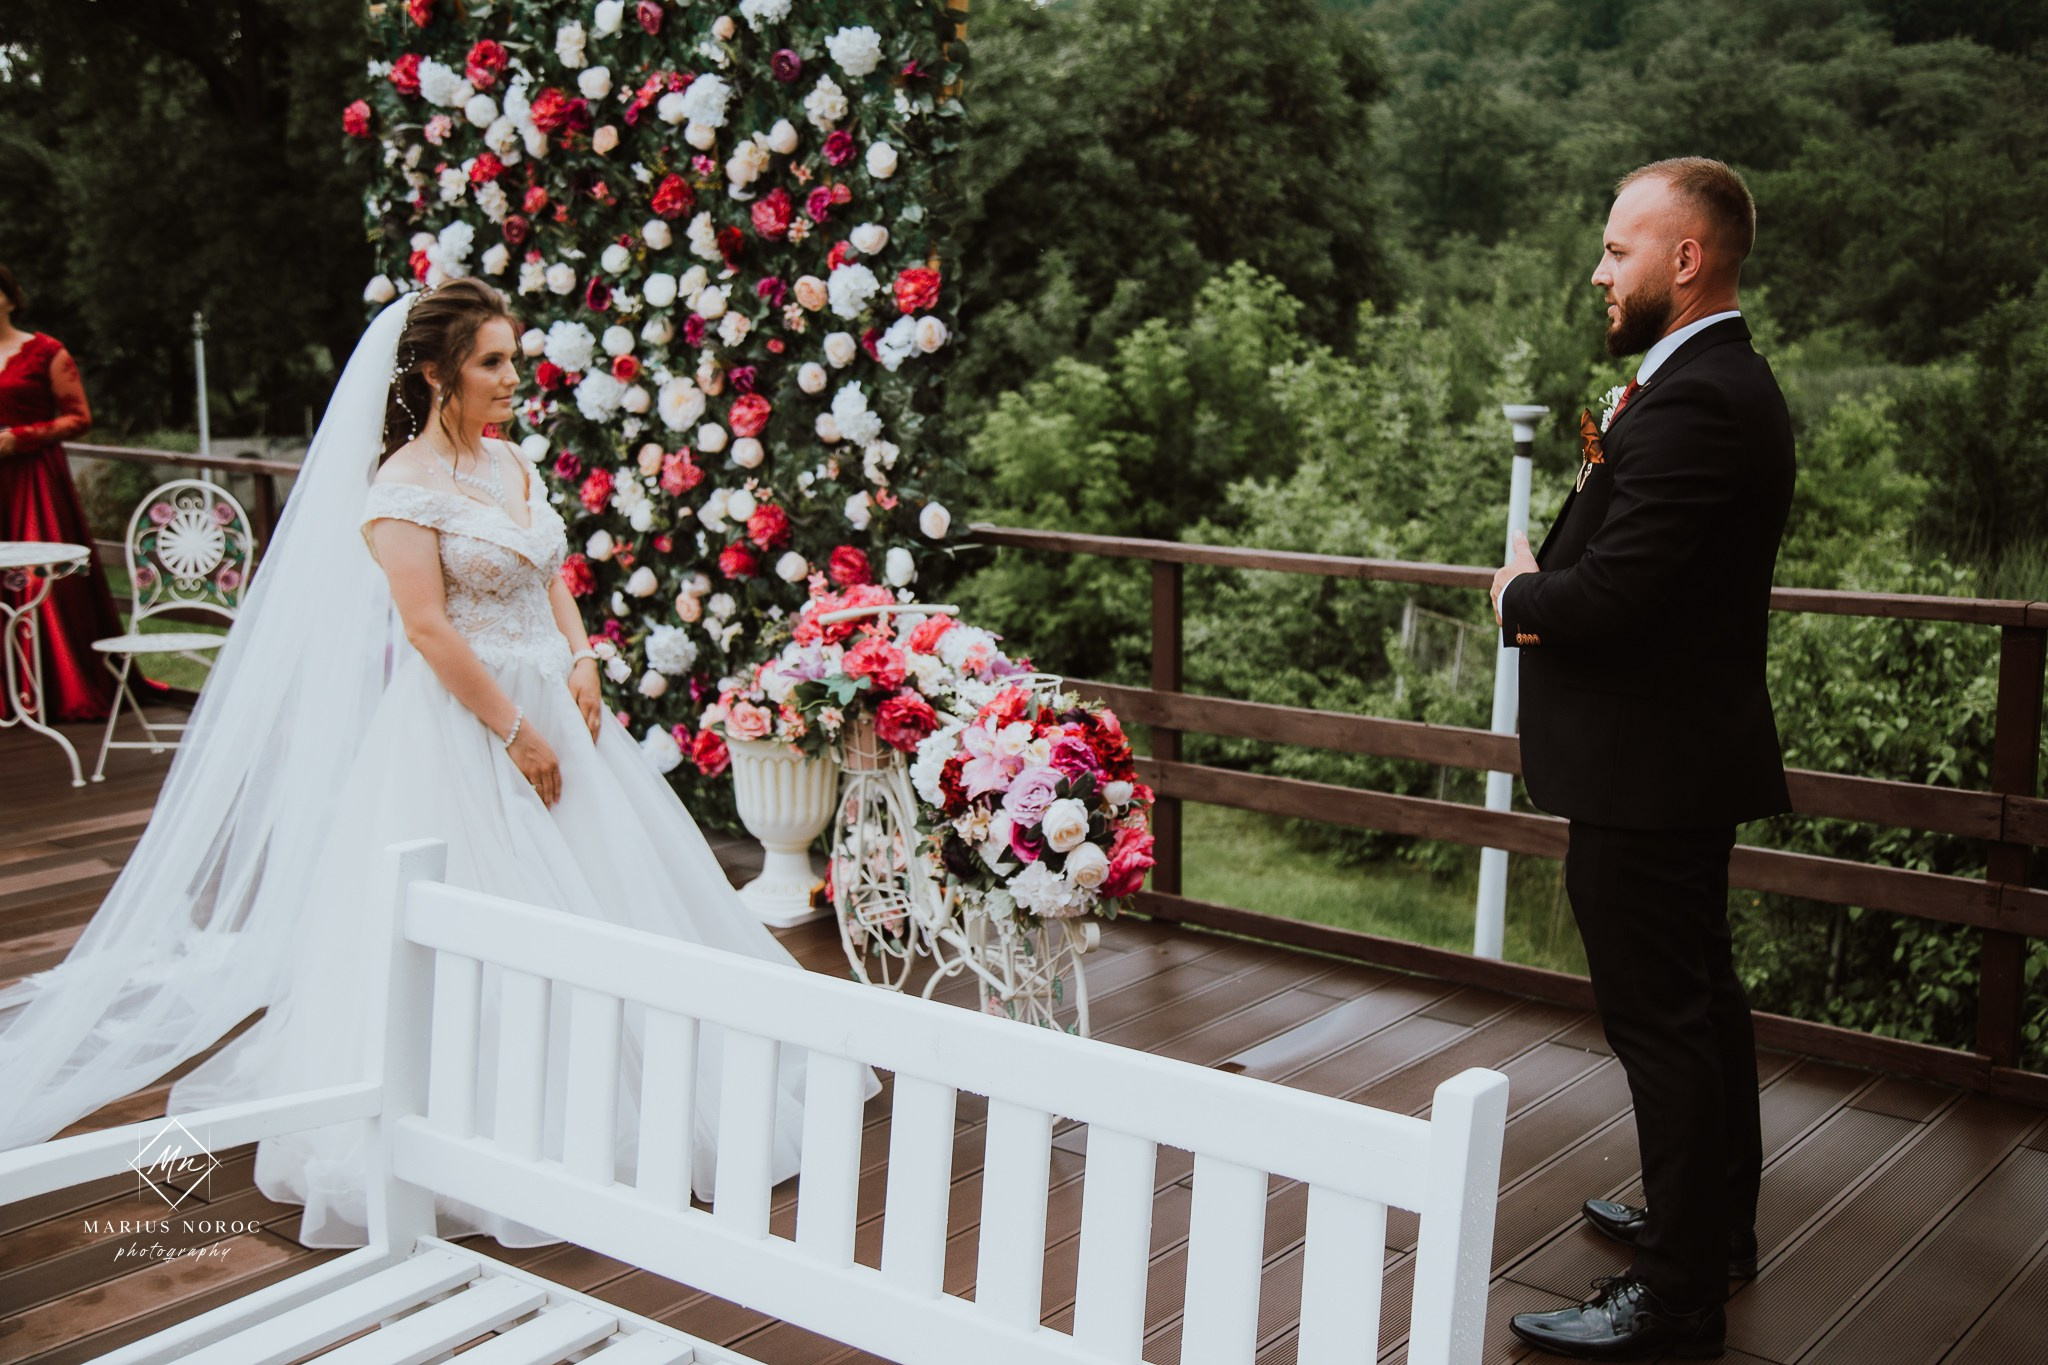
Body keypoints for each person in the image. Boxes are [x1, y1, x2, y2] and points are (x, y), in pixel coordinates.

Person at [0, 280, 855, 1247]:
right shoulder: (400, 486)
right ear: (437, 371)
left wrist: (581, 657)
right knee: (488, 913)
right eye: (492, 361)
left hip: (558, 706)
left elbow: (550, 575)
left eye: (512, 358)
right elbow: (427, 627)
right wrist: (512, 731)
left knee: (616, 889)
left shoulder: (511, 463)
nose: (511, 378)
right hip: (464, 725)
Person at [1491, 158, 1794, 1360]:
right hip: (1668, 759)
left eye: (1619, 249)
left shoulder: (1701, 397)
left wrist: (1523, 592)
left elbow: (1619, 594)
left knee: (1661, 1022)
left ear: (1684, 259)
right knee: (1699, 1007)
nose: (1598, 268)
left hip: (1648, 767)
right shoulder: (1700, 384)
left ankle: (1673, 1302)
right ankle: (1706, 1226)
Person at [0, 262, 134, 722]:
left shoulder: (46, 352)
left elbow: (79, 416)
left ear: (11, 298)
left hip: (34, 480)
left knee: (40, 579)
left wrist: (23, 437)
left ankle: (56, 685)